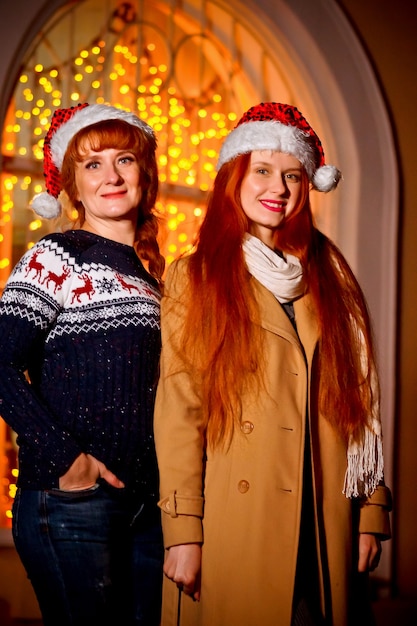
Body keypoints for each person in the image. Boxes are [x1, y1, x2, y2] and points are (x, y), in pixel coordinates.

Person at [154, 102, 392, 626]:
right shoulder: (195, 278)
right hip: (236, 520)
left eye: (292, 175)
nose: (277, 188)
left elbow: (357, 407)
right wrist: (184, 532)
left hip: (324, 517)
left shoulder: (333, 278)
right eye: (261, 170)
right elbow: (179, 413)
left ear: (308, 187)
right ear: (234, 179)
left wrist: (370, 513)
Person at [0, 103, 165, 626]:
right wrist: (71, 462)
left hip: (147, 508)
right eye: (92, 165)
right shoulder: (57, 256)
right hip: (74, 503)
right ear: (71, 184)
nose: (111, 177)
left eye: (124, 160)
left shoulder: (154, 277)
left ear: (146, 174)